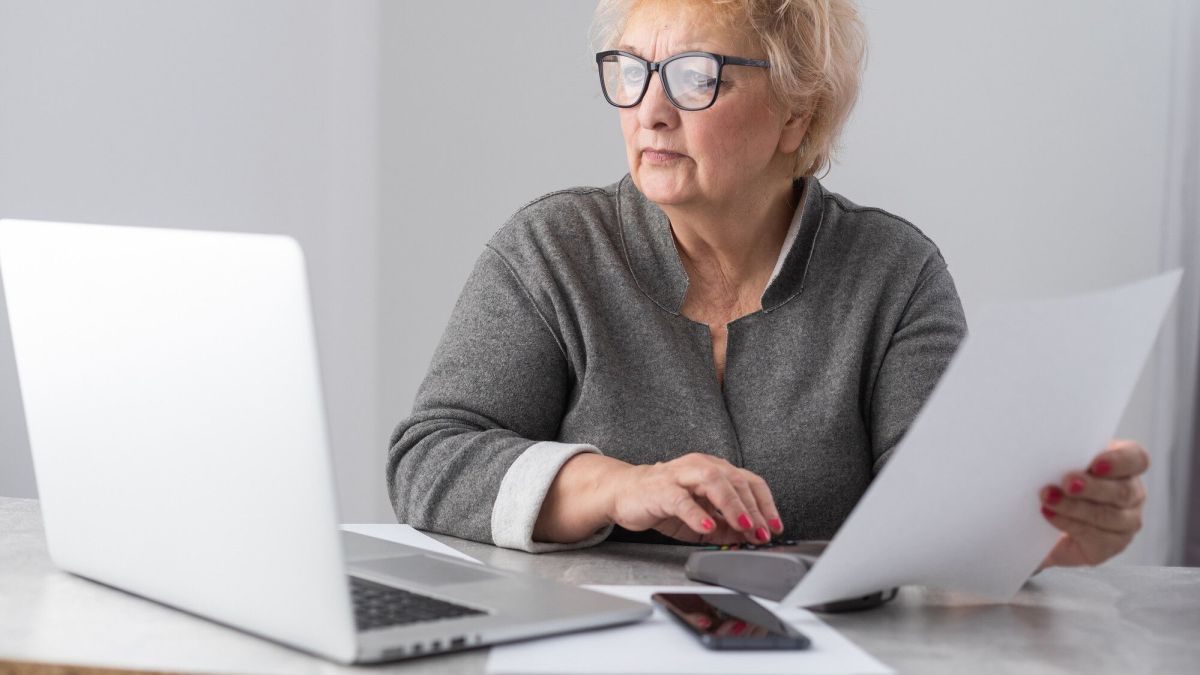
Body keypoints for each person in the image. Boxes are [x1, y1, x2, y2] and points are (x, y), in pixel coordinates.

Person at [387, 0, 1149, 568]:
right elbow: (427, 459)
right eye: (633, 70)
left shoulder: (894, 273)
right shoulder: (551, 250)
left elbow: (929, 524)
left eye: (695, 77)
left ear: (796, 113)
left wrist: (1033, 538)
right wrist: (615, 485)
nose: (650, 111)